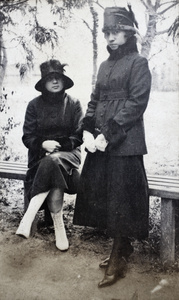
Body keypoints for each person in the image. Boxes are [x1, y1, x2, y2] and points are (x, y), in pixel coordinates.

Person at [73, 5, 152, 287]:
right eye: (107, 33)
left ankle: (118, 256)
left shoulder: (138, 63)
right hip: (101, 143)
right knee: (106, 197)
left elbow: (136, 104)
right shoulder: (105, 66)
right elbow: (95, 100)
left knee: (121, 199)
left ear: (128, 33)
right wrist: (87, 130)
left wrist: (109, 134)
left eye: (116, 32)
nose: (110, 38)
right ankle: (122, 247)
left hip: (125, 143)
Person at [16, 59, 83, 251]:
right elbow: (27, 137)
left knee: (53, 160)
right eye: (50, 78)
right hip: (40, 156)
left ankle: (30, 213)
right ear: (44, 83)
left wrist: (60, 145)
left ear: (63, 81)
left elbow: (78, 135)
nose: (55, 81)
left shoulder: (74, 104)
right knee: (52, 166)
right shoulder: (33, 105)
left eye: (58, 78)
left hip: (69, 155)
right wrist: (42, 144)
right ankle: (59, 228)